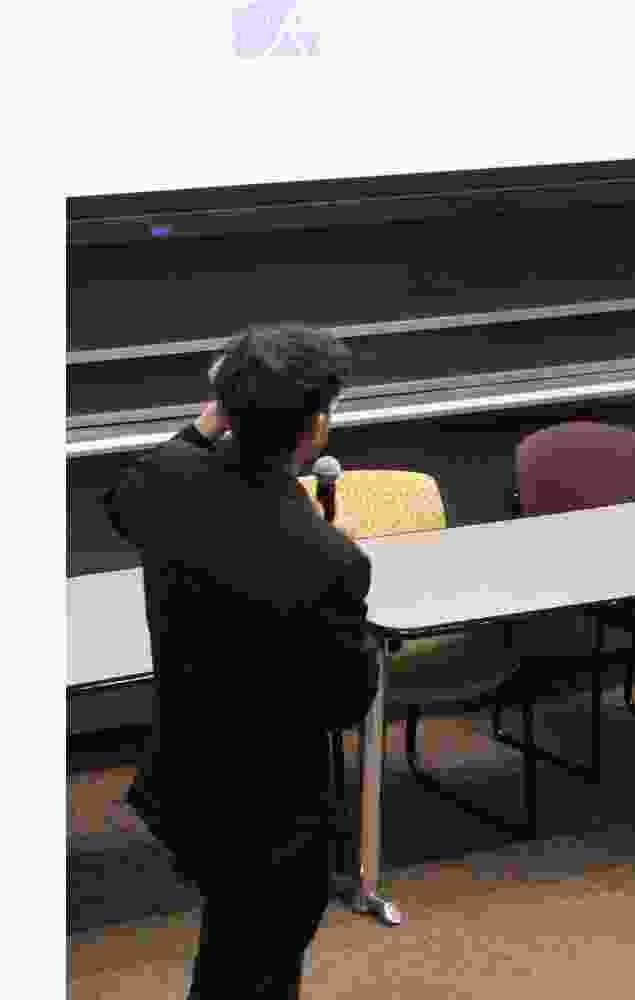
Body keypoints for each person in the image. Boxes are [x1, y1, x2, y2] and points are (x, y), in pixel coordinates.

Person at [101, 323, 381, 999]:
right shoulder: (327, 558)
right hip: (272, 806)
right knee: (260, 959)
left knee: (230, 948)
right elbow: (346, 699)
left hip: (186, 775)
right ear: (316, 429)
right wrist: (336, 575)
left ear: (223, 410)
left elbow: (130, 495)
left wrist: (205, 426)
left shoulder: (165, 482)